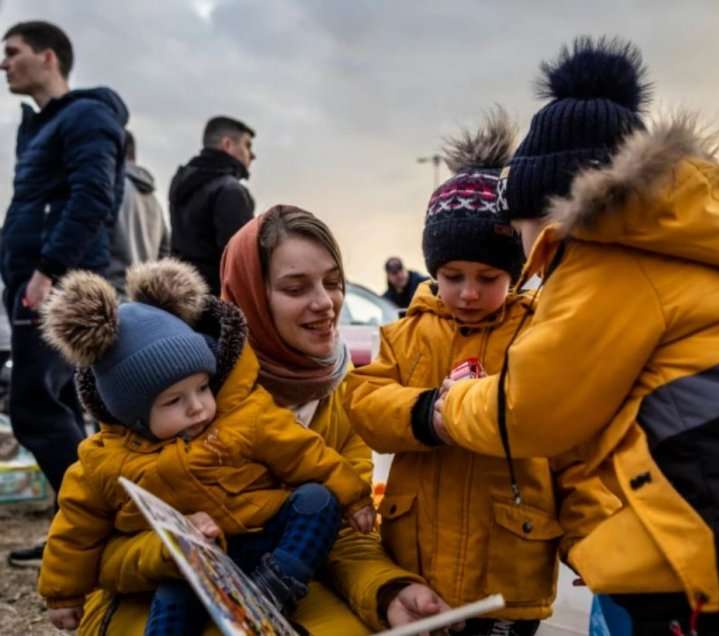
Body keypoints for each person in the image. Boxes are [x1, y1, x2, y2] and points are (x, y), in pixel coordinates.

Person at [434, 37, 719, 633]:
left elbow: (527, 412)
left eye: (515, 227)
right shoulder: (714, 253)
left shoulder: (605, 256)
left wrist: (450, 405)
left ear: (542, 214)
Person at [78, 206, 457, 635]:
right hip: (156, 596)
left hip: (283, 585)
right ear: (249, 297)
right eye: (296, 288)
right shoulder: (171, 383)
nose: (324, 303)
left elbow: (346, 530)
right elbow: (97, 553)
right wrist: (174, 552)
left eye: (333, 283)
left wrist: (388, 591)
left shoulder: (340, 391)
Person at [37, 259, 375, 633]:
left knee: (317, 501)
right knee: (171, 597)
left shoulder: (244, 418)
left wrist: (354, 497)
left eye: (201, 388)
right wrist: (63, 595)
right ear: (134, 415)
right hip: (190, 568)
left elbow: (304, 452)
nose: (197, 406)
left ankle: (274, 589)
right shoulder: (104, 462)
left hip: (262, 539)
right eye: (173, 401)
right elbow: (74, 530)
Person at [347, 110, 563, 636]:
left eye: (487, 277)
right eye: (452, 276)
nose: (468, 292)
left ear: (514, 272)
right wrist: (429, 415)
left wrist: (590, 536)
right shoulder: (406, 334)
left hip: (507, 575)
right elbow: (365, 405)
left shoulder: (538, 333)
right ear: (432, 271)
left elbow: (570, 443)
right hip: (418, 563)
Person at [0, 20, 127, 567]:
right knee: (61, 408)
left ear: (48, 57)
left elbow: (94, 195)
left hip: (55, 283)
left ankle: (94, 526)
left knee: (33, 405)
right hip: (30, 279)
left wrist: (47, 271)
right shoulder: (37, 127)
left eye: (13, 52)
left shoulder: (87, 115)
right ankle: (78, 529)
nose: (3, 63)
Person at [169, 115, 256, 296]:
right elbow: (241, 264)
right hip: (218, 304)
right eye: (247, 145)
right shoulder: (230, 190)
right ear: (227, 145)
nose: (252, 155)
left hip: (182, 297)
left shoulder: (182, 184)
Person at [105, 130, 170, 296]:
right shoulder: (154, 200)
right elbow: (165, 254)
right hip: (142, 298)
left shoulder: (109, 189)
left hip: (108, 293)